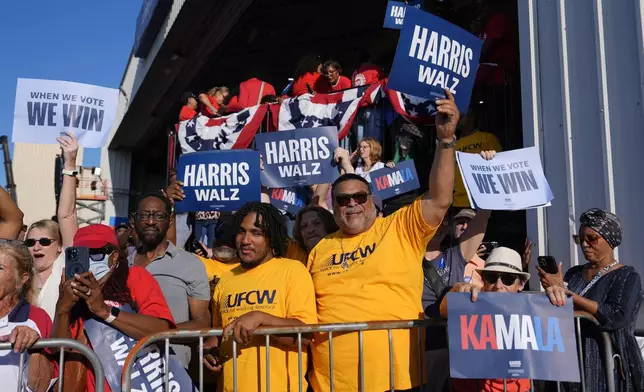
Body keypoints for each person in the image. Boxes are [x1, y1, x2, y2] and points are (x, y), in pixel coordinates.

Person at [307, 90, 459, 392]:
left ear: (373, 201)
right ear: (333, 207)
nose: (352, 204)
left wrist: (445, 141)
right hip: (330, 384)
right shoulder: (320, 248)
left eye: (359, 197)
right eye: (343, 200)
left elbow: (440, 199)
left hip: (395, 381)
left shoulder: (399, 227)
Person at [204, 202, 317, 391]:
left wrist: (260, 318)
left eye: (256, 233)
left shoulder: (292, 270)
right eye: (241, 232)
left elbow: (306, 336)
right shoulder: (226, 280)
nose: (245, 240)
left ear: (272, 238)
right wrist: (209, 351)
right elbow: (219, 335)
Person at [52, 224, 175, 392]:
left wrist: (105, 311)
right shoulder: (70, 289)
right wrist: (62, 310)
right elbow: (58, 351)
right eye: (83, 253)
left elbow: (162, 330)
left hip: (135, 384)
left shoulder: (135, 277)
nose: (89, 259)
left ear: (114, 256)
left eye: (95, 253)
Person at [539, 208, 644, 392]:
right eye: (580, 239)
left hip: (606, 364)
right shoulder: (575, 274)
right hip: (569, 363)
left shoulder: (626, 275)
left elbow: (616, 316)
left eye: (591, 238)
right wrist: (553, 291)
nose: (584, 244)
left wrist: (570, 295)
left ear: (610, 241)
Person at [439, 247, 567, 392]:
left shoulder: (532, 309)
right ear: (483, 280)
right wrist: (456, 290)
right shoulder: (470, 301)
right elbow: (443, 311)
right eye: (492, 277)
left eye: (508, 279)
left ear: (521, 284)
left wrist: (556, 296)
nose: (499, 285)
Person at [130, 192, 211, 368]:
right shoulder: (120, 264)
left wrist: (158, 333)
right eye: (144, 215)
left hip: (171, 373)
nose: (151, 221)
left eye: (159, 216)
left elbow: (202, 322)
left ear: (170, 220)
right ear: (133, 220)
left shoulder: (190, 263)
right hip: (126, 370)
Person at [28, 132, 80, 319]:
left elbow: (66, 215)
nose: (36, 246)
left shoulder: (65, 266)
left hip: (62, 347)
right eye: (30, 242)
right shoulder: (21, 277)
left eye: (44, 241)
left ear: (59, 246)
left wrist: (70, 164)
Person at [0, 240, 54, 392]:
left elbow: (41, 387)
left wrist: (35, 347)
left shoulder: (36, 318)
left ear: (22, 279)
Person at [453, 108, 503, 208]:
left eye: (462, 116)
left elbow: (501, 165)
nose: (458, 119)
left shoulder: (487, 137)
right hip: (459, 201)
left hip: (485, 201)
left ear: (472, 116)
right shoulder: (453, 144)